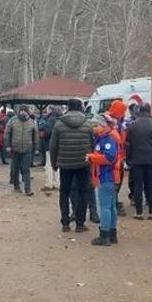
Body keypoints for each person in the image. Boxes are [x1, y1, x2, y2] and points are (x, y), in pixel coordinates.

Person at [50, 98, 94, 233]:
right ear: (81, 107)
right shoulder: (88, 124)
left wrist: (54, 163)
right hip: (83, 163)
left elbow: (53, 146)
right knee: (83, 192)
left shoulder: (59, 124)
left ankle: (65, 223)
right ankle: (80, 224)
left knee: (64, 192)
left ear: (68, 107)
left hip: (65, 163)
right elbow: (92, 144)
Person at [88, 116, 122, 246]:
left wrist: (92, 158)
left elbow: (109, 158)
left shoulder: (107, 140)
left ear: (103, 126)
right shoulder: (105, 138)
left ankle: (104, 235)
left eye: (96, 126)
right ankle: (112, 234)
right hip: (110, 176)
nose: (94, 129)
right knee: (111, 206)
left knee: (105, 207)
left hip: (106, 176)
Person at [125, 102, 152, 220]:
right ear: (149, 111)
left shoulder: (132, 126)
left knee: (138, 186)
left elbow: (128, 144)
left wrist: (129, 159)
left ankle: (139, 212)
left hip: (137, 160)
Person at [4, 105, 38, 196]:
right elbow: (7, 133)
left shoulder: (32, 122)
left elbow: (35, 136)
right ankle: (16, 185)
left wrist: (35, 147)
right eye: (21, 110)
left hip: (27, 149)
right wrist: (7, 145)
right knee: (15, 169)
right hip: (15, 149)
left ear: (27, 112)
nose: (22, 112)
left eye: (24, 111)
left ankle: (28, 189)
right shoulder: (12, 121)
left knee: (26, 169)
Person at [41, 105, 62, 191]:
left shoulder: (51, 119)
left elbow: (47, 132)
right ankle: (58, 183)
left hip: (50, 145)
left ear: (51, 110)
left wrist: (43, 133)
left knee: (49, 165)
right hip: (60, 146)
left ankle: (49, 183)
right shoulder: (61, 119)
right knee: (59, 165)